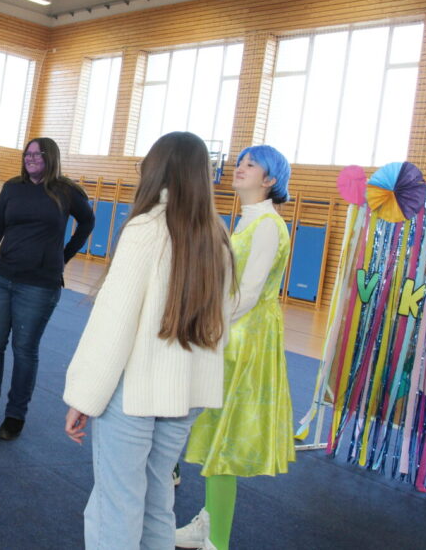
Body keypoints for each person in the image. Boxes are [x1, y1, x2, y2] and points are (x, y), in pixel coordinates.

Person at [63, 132, 234, 549]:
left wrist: (85, 396)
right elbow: (221, 324)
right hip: (184, 396)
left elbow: (113, 323)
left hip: (135, 395)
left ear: (157, 170)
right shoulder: (217, 236)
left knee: (116, 506)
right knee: (158, 502)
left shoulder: (147, 228)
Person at [175, 145, 295, 550]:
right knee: (215, 432)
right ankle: (208, 524)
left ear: (270, 180)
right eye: (239, 163)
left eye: (251, 165)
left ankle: (217, 540)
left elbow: (250, 292)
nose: (239, 169)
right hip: (233, 334)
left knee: (224, 438)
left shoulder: (267, 225)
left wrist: (209, 323)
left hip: (245, 340)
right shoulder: (249, 220)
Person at [0, 137, 94, 441]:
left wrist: (63, 257)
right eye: (27, 154)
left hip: (40, 285)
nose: (30, 158)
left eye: (37, 154)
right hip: (2, 278)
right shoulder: (12, 187)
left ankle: (15, 415)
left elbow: (87, 222)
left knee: (24, 350)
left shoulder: (66, 191)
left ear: (51, 158)